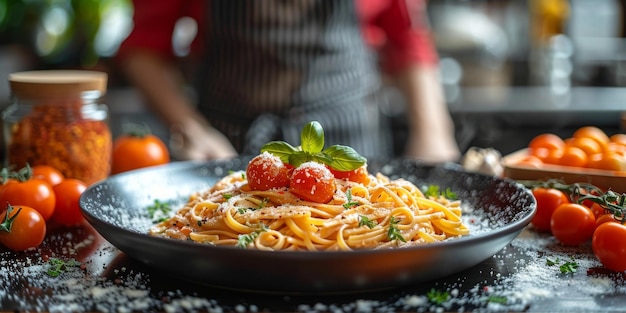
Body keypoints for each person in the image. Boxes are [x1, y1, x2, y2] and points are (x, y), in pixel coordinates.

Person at [116, 0, 460, 163]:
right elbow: (144, 49)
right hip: (228, 146)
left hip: (351, 140)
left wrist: (432, 132)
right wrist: (191, 128)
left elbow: (408, 35)